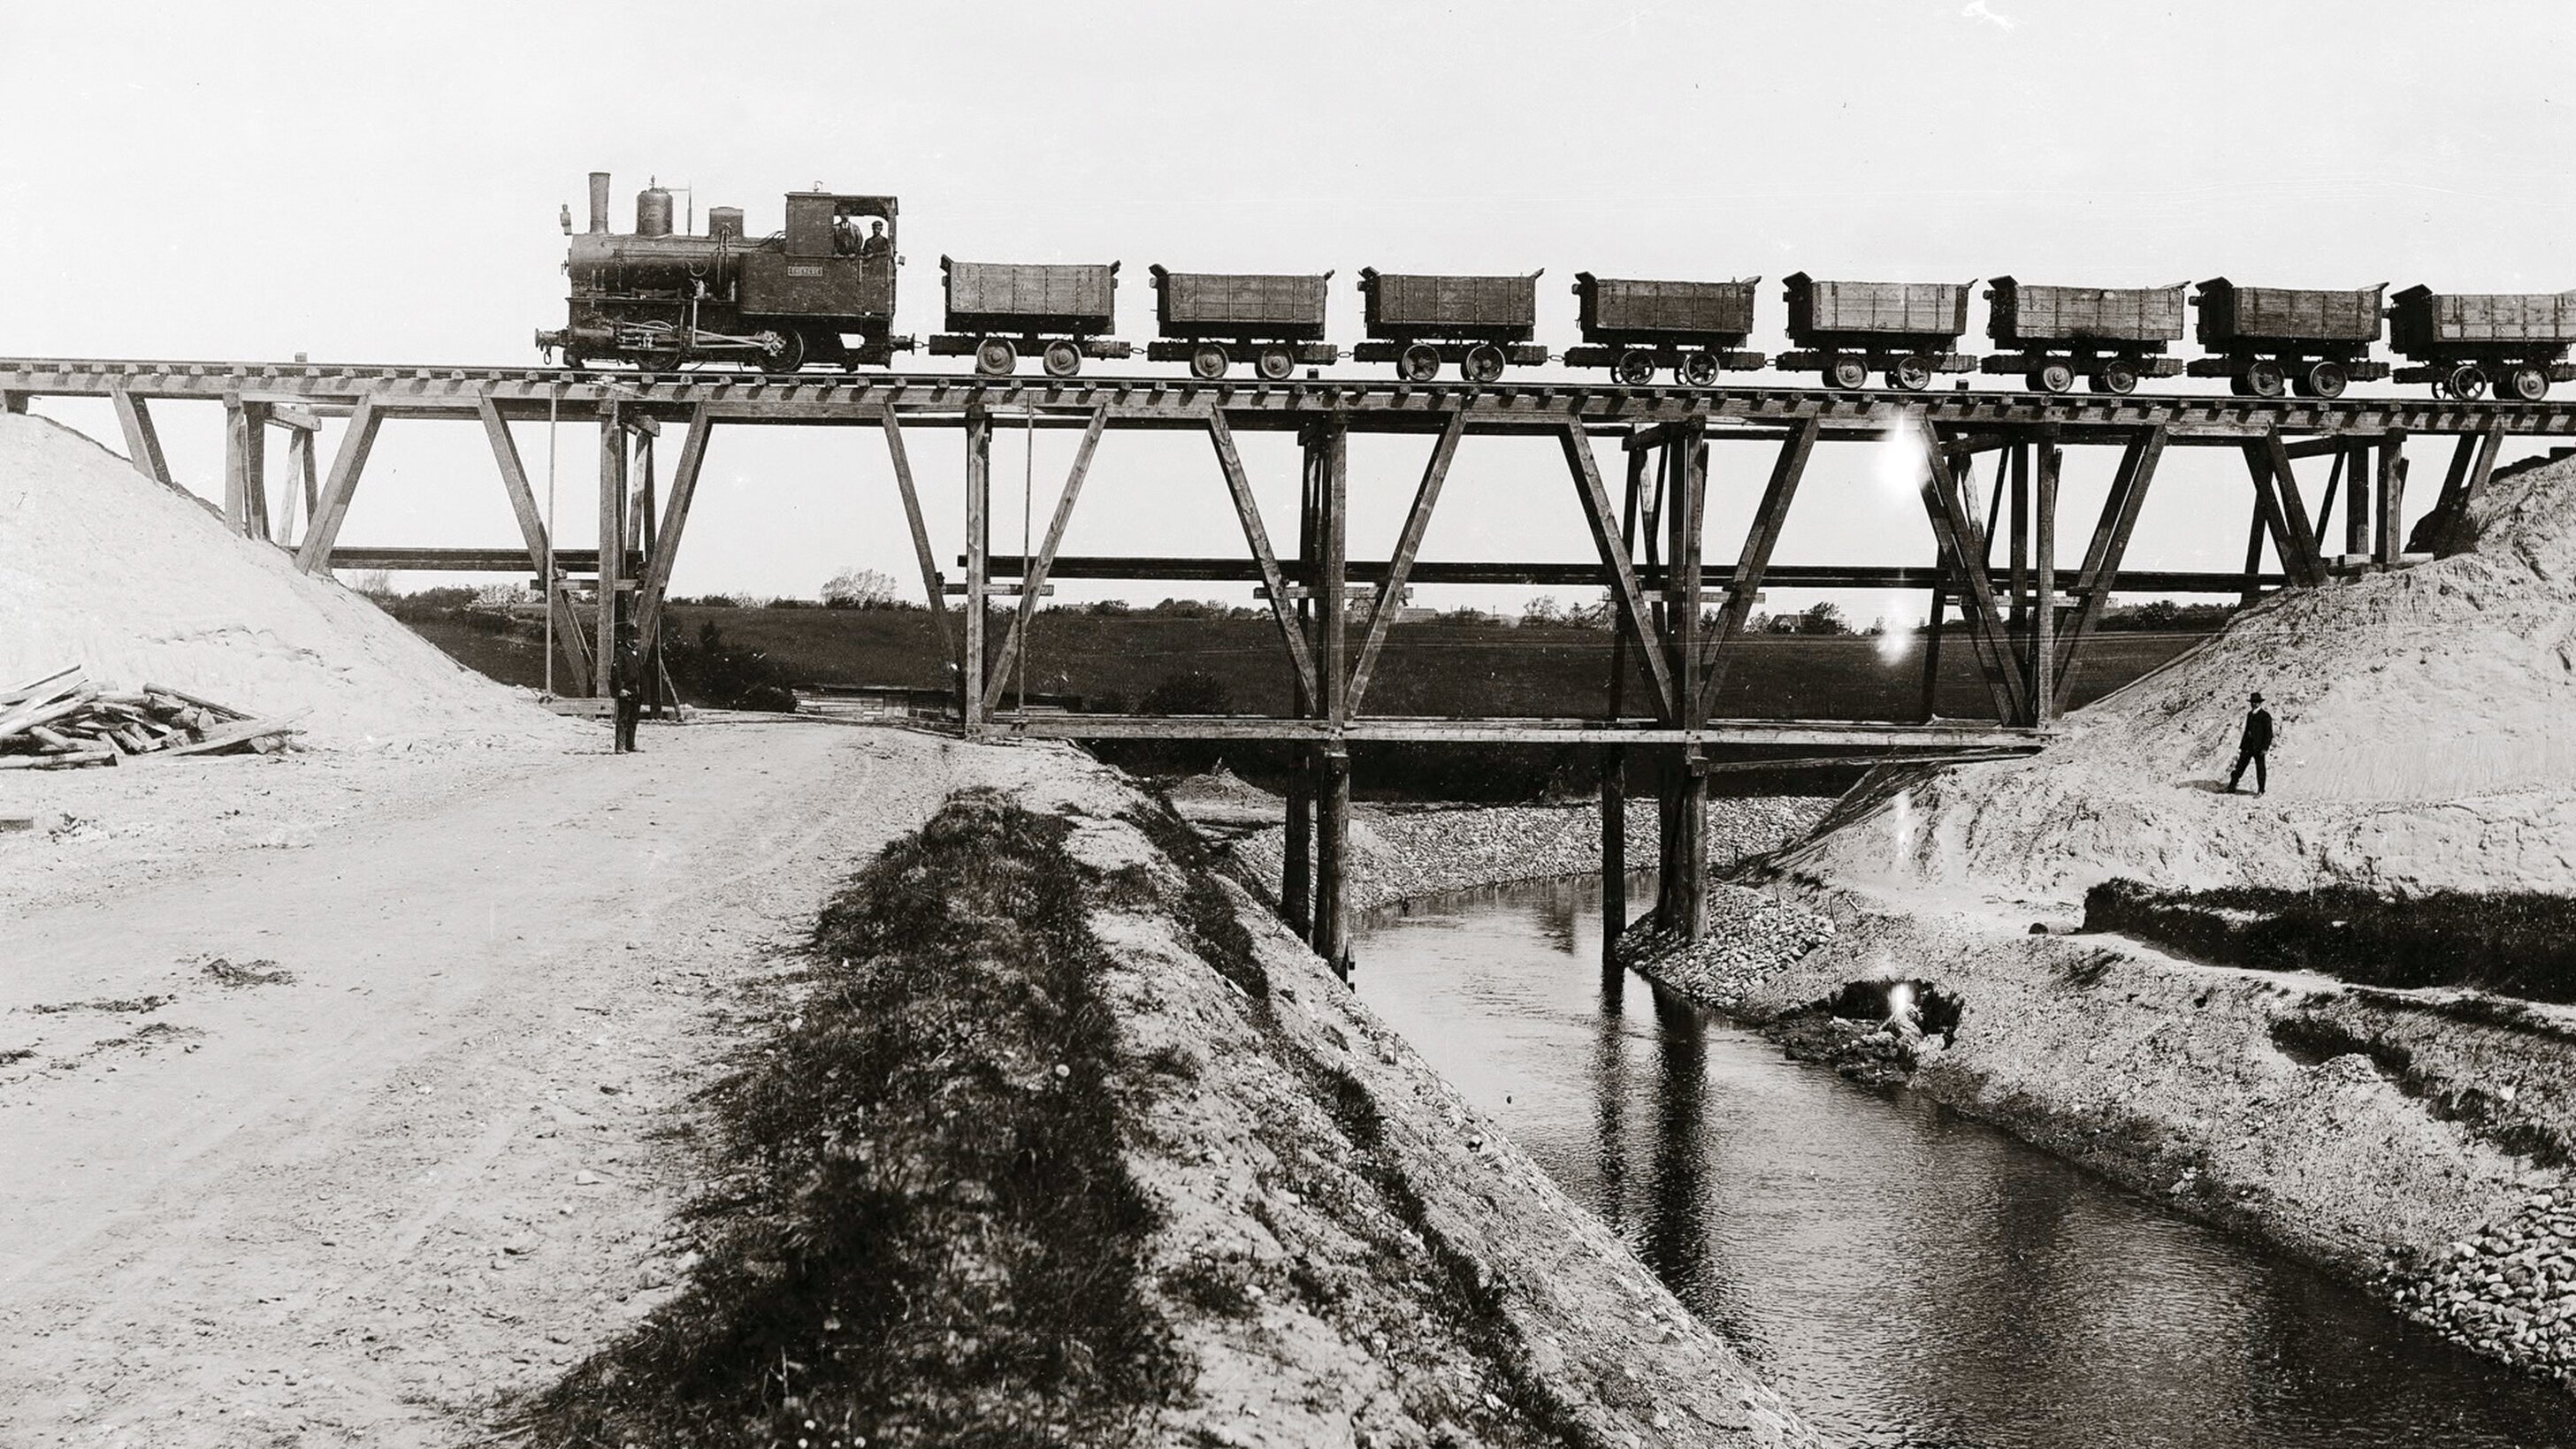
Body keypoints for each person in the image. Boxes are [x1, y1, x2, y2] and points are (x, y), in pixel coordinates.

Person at [2227, 690, 2273, 795]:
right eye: (2252, 702)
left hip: (2259, 748)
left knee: (2260, 769)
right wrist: (2242, 746)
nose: (2254, 704)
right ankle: (2231, 787)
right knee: (2239, 767)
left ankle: (2261, 790)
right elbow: (2247, 731)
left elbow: (2268, 734)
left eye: (2256, 702)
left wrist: (2265, 748)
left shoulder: (2265, 716)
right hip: (2247, 747)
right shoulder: (2250, 715)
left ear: (2260, 703)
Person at [612, 621, 643, 754]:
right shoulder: (621, 652)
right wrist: (619, 689)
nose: (636, 641)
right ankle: (620, 746)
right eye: (633, 639)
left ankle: (630, 744)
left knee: (633, 718)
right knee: (623, 718)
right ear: (628, 639)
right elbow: (616, 672)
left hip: (636, 690)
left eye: (637, 639)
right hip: (626, 690)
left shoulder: (638, 654)